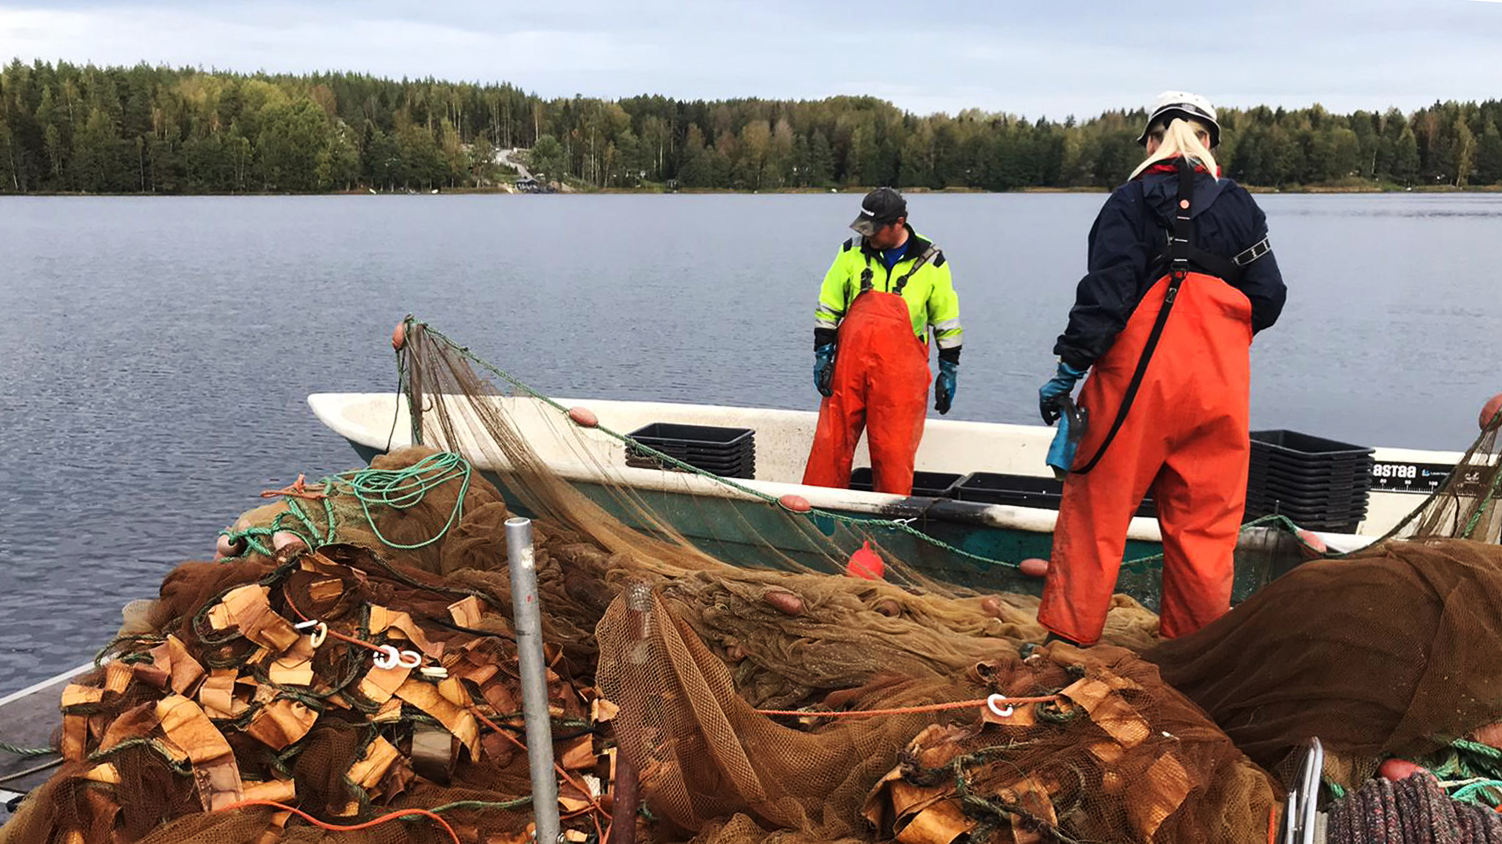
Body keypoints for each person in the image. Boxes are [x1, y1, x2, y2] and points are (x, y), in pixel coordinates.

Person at [1035, 92, 1287, 646]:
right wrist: (1215, 335)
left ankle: (1068, 644)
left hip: (1138, 387)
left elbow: (1105, 294)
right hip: (1219, 390)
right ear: (1208, 143)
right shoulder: (1240, 205)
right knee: (1206, 529)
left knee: (1097, 511)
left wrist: (1069, 366)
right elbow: (1268, 296)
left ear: (1153, 141)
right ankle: (1192, 658)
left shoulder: (1129, 200)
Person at [802, 187, 964, 495]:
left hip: (900, 378)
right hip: (849, 368)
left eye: (875, 229)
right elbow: (829, 306)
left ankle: (889, 530)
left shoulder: (932, 261)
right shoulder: (850, 251)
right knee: (830, 445)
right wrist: (823, 353)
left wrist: (949, 369)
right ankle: (819, 520)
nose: (869, 235)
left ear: (898, 223)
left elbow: (947, 321)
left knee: (893, 453)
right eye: (865, 227)